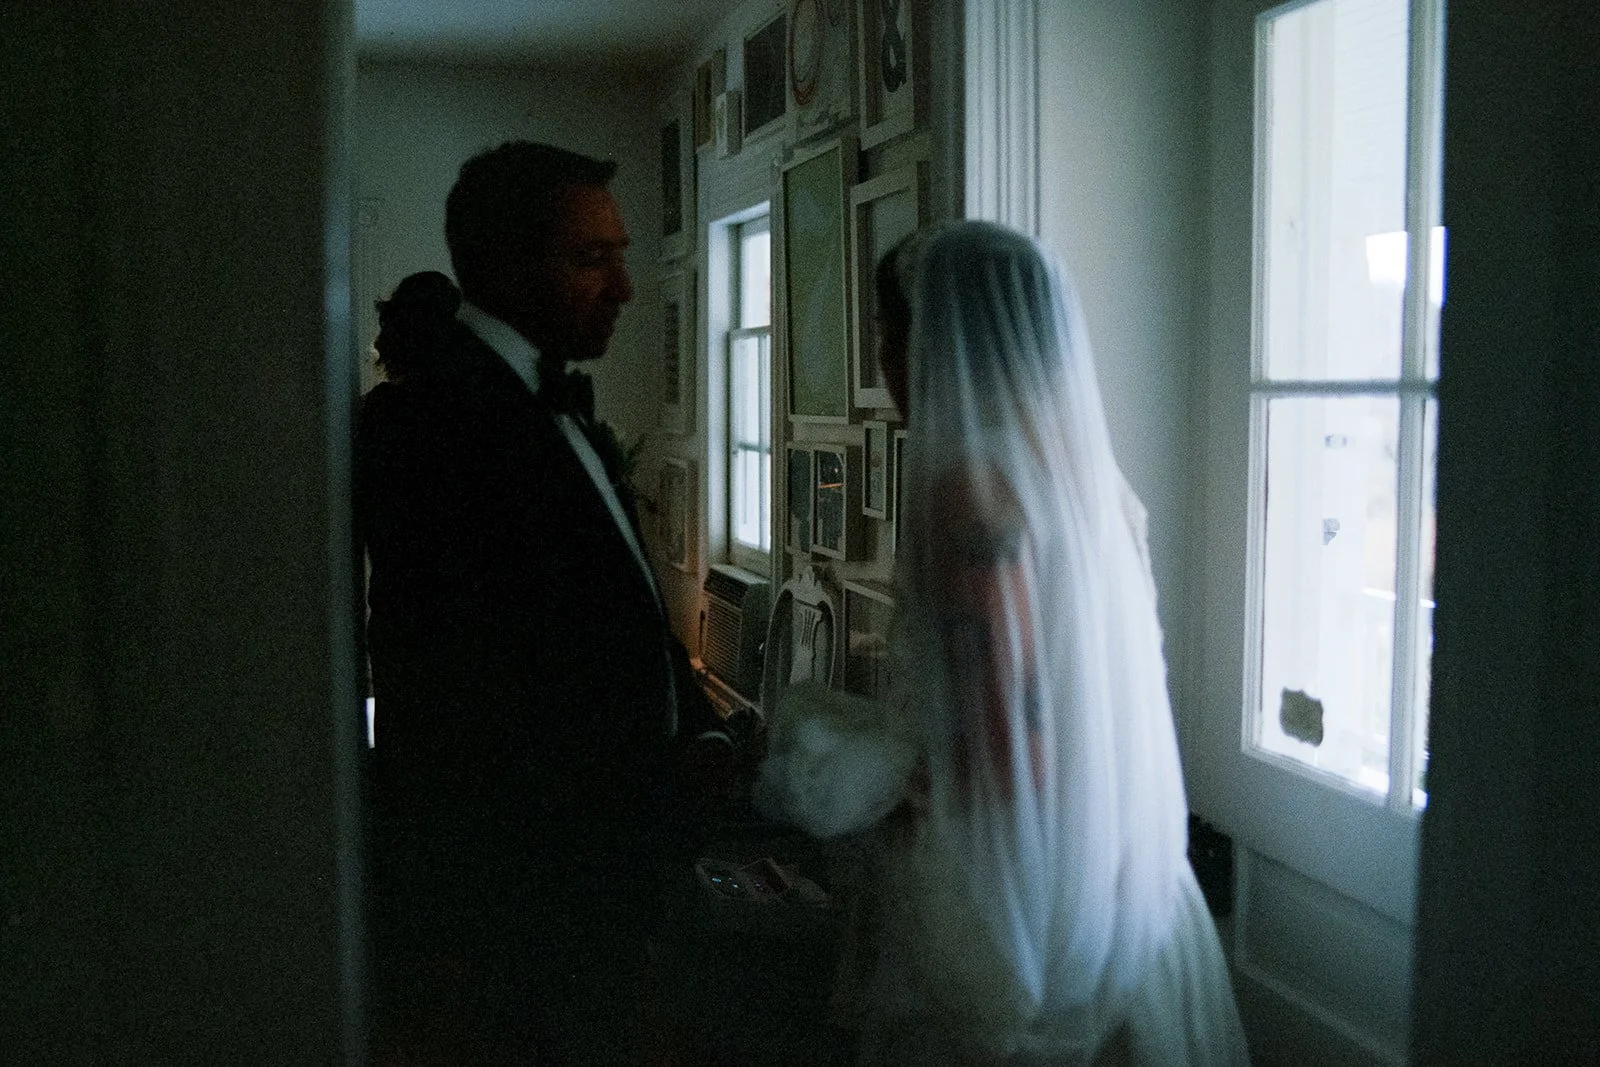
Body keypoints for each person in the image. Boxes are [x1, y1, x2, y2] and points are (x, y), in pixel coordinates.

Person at [759, 221, 1248, 1064]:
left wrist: (884, 787)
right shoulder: (1085, 477)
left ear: (932, 341)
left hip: (1024, 899)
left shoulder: (970, 491)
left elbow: (1007, 741)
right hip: (1128, 882)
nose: (885, 363)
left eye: (887, 337)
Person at [355, 143, 696, 1063]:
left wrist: (692, 733)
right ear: (505, 268)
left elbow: (616, 608)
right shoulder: (432, 421)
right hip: (524, 908)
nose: (625, 288)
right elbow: (452, 689)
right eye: (591, 260)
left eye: (620, 255)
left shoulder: (550, 399)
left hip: (599, 884)